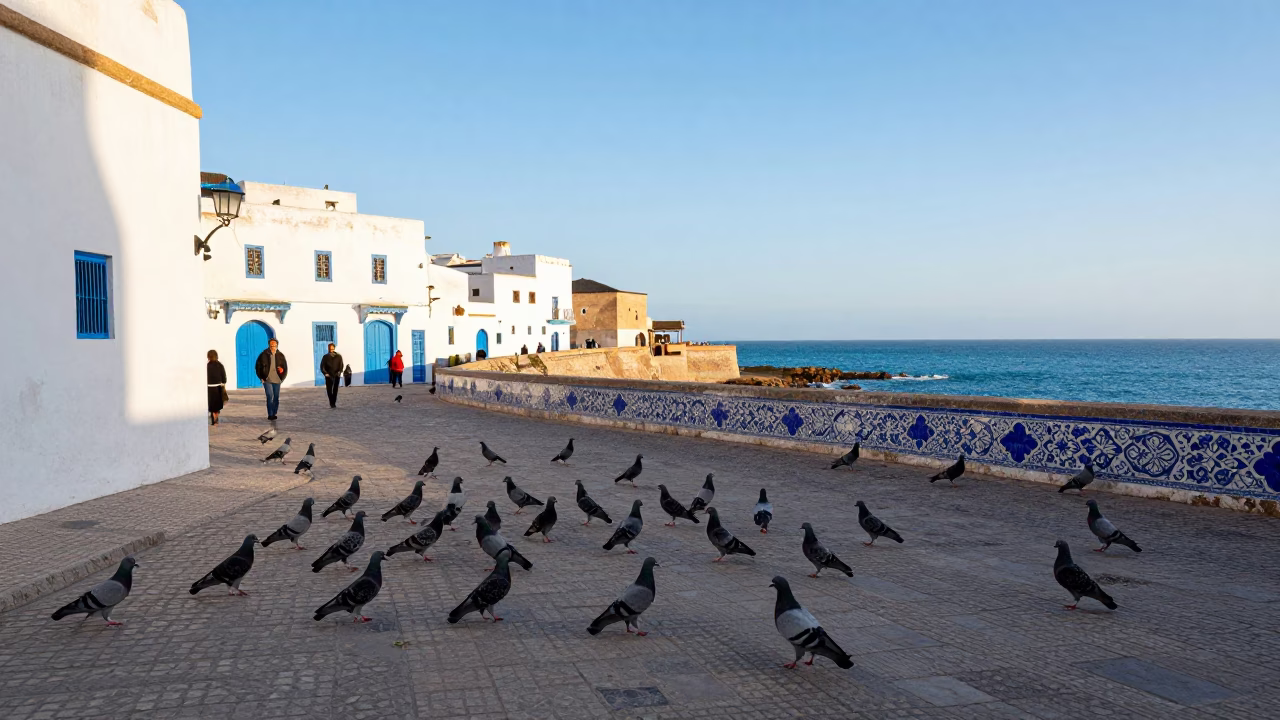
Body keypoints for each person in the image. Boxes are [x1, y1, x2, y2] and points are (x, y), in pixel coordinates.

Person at [255, 338, 288, 421]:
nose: (273, 347)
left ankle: (274, 412)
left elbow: (285, 367)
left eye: (274, 345)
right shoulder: (263, 354)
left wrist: (282, 376)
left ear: (277, 346)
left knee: (276, 397)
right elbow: (258, 367)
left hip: (277, 379)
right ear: (269, 346)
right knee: (269, 396)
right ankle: (270, 414)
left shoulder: (280, 355)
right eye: (271, 345)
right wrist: (261, 377)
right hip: (267, 380)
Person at [206, 350, 227, 426]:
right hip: (218, 387)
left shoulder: (207, 366)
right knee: (217, 405)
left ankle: (213, 418)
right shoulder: (220, 365)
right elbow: (224, 377)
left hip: (209, 388)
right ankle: (216, 418)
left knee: (211, 404)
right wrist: (223, 382)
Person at [320, 342, 343, 408]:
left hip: (336, 375)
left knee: (335, 390)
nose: (331, 350)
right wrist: (325, 373)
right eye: (330, 349)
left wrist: (339, 372)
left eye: (332, 349)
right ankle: (331, 402)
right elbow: (322, 366)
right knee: (329, 390)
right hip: (329, 376)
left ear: (334, 348)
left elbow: (341, 365)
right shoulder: (325, 357)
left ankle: (334, 403)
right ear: (328, 349)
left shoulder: (339, 356)